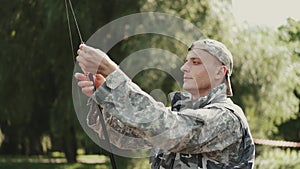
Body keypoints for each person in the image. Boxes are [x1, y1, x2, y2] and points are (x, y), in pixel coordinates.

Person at [74, 39, 255, 169]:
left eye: (195, 62)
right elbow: (120, 136)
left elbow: (168, 130)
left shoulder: (226, 117)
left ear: (219, 72)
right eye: (186, 62)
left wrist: (113, 73)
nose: (184, 68)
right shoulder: (180, 116)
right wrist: (105, 95)